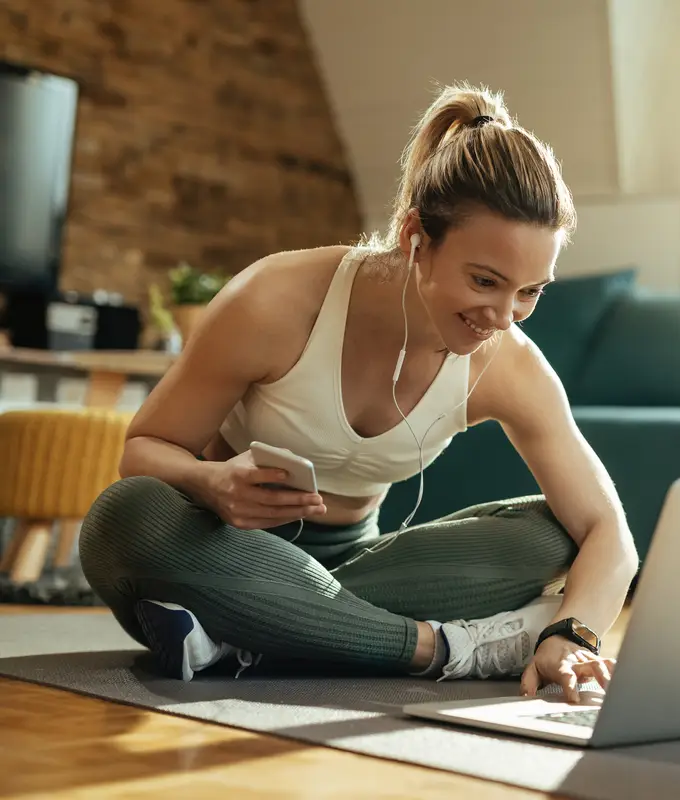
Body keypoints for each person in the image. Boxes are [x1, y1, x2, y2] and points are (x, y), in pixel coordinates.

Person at [77, 83, 640, 703]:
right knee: (123, 515)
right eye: (485, 280)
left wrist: (573, 634)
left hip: (369, 569)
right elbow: (144, 450)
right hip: (222, 555)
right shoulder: (274, 302)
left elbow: (609, 532)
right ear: (415, 238)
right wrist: (212, 484)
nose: (504, 316)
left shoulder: (508, 366)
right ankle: (450, 649)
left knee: (551, 533)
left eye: (531, 291)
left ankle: (245, 639)